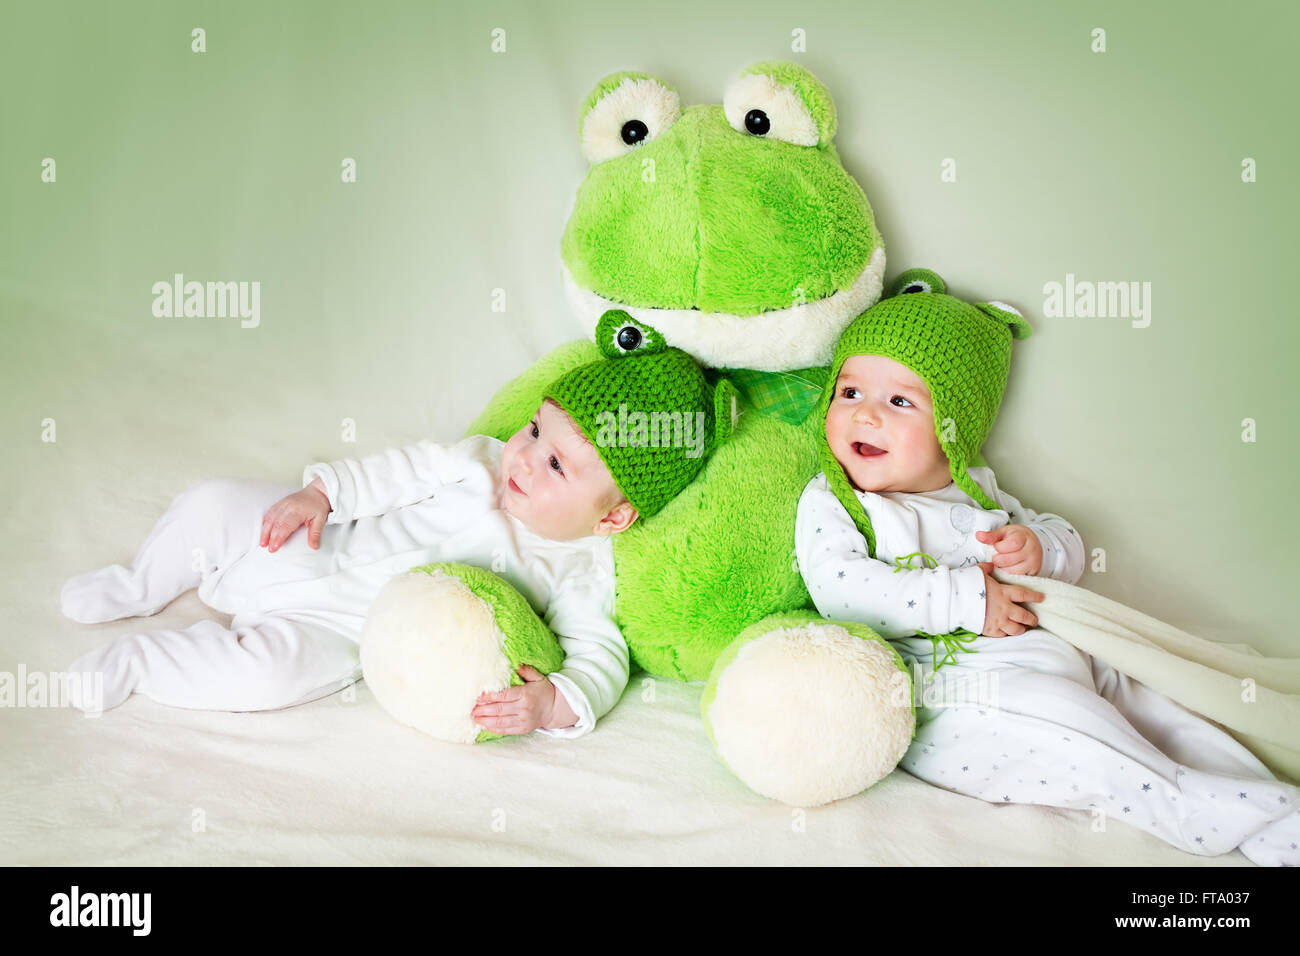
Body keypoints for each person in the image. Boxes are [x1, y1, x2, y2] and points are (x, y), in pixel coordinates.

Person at [795, 271, 1299, 865]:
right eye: (848, 393)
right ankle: (1205, 812)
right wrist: (967, 600)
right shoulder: (837, 500)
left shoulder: (979, 493)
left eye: (900, 401)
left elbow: (1065, 542)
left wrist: (1039, 547)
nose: (865, 416)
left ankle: (1258, 785)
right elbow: (840, 590)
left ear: (955, 426)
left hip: (1060, 655)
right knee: (1072, 728)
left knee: (1160, 704)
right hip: (956, 693)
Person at [61, 311, 734, 738]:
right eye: (535, 429)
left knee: (266, 680)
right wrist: (324, 494)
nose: (526, 457)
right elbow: (403, 470)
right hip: (321, 540)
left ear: (613, 516)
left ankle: (141, 663)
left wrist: (557, 702)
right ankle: (139, 585)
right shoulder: (484, 462)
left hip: (341, 631)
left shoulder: (581, 568)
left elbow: (601, 654)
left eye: (557, 465)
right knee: (214, 503)